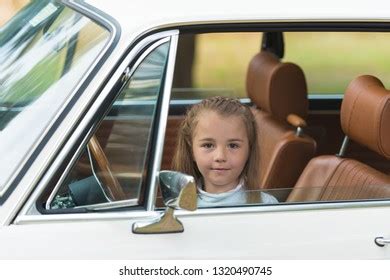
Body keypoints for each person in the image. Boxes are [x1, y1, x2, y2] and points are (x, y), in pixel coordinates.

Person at [172, 96, 277, 207]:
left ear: (249, 150)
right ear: (191, 150)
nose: (220, 156)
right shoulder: (177, 207)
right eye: (208, 145)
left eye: (233, 145)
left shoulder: (266, 205)